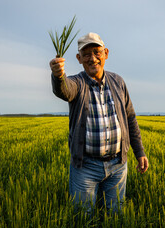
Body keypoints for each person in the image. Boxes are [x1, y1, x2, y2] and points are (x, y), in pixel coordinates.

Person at [49, 32, 149, 213]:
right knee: (83, 217)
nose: (92, 58)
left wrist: (139, 152)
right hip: (85, 167)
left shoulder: (118, 82)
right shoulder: (77, 83)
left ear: (106, 53)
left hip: (118, 165)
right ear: (79, 59)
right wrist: (58, 76)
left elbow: (130, 118)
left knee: (115, 215)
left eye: (97, 52)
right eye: (86, 54)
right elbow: (64, 90)